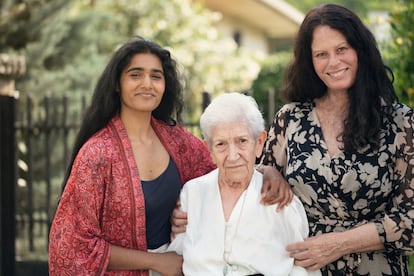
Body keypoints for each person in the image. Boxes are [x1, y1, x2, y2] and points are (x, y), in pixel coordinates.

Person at [48, 37, 288, 276]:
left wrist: (268, 171)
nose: (147, 84)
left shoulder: (177, 141)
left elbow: (225, 167)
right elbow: (74, 245)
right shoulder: (97, 154)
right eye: (135, 75)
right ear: (117, 84)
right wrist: (155, 261)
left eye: (156, 76)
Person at [259, 3, 414, 276]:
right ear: (310, 61)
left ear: (360, 51)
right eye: (321, 54)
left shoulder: (400, 122)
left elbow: (411, 220)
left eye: (342, 49)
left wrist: (338, 244)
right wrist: (265, 171)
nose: (333, 62)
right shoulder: (290, 119)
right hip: (302, 271)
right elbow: (254, 195)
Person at [167, 92, 321, 276]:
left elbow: (303, 269)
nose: (232, 156)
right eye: (221, 144)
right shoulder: (192, 194)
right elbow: (177, 259)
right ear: (209, 149)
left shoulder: (282, 202)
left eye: (242, 141)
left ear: (259, 143)